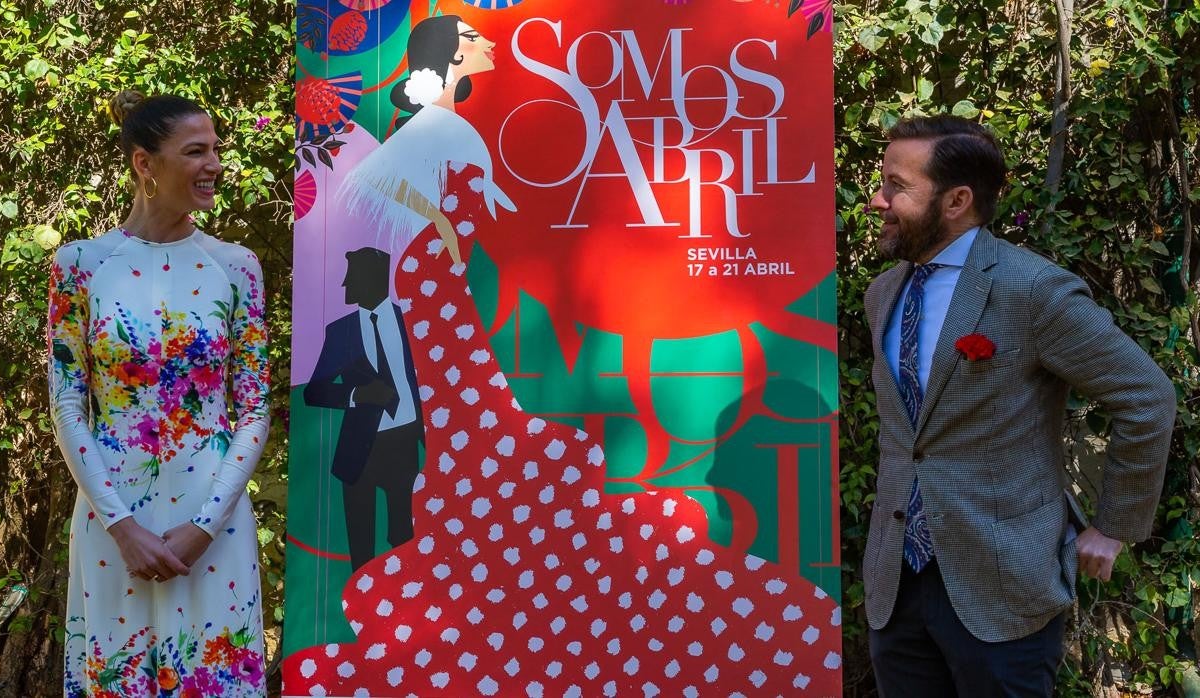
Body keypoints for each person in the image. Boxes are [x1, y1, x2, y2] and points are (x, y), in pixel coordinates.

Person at [282, 14, 843, 696]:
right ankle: (487, 519)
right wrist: (438, 230)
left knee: (478, 410)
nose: (489, 45)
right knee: (469, 405)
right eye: (476, 39)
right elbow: (374, 187)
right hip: (434, 285)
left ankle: (492, 512)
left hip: (446, 283)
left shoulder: (447, 124)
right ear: (454, 51)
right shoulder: (435, 125)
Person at [861, 115, 1176, 696]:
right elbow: (909, 437)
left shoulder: (1031, 290)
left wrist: (1113, 526)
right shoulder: (883, 294)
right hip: (896, 588)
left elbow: (1147, 395)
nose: (877, 200)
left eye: (895, 185)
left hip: (1003, 589)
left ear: (956, 200)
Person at [48, 90, 270, 696]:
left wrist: (204, 525)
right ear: (145, 164)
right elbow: (67, 403)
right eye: (196, 151)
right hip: (113, 522)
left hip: (214, 524)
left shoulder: (237, 266)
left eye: (217, 150)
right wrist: (121, 525)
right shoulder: (80, 265)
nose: (215, 165)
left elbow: (253, 406)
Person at [305, 246, 423, 570]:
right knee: (361, 545)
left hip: (405, 444)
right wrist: (358, 394)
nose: (345, 285)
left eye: (352, 277)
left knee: (406, 536)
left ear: (374, 279)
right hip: (358, 450)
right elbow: (314, 392)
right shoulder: (340, 332)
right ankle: (363, 608)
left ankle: (409, 606)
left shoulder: (412, 323)